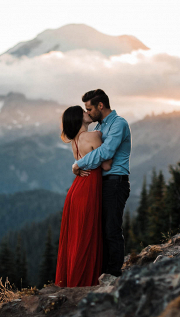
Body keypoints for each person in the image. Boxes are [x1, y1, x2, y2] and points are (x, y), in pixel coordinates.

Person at [72, 89, 131, 278]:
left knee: (111, 229)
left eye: (89, 109)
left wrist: (78, 164)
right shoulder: (101, 127)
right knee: (100, 229)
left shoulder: (118, 124)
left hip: (115, 183)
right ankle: (102, 271)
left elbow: (106, 153)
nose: (87, 113)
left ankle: (113, 274)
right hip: (101, 184)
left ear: (100, 105)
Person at [55, 105, 112, 287]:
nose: (88, 113)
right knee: (86, 235)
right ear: (79, 119)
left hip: (76, 190)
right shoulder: (93, 136)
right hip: (87, 190)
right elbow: (106, 166)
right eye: (84, 112)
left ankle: (73, 279)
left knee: (77, 237)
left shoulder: (75, 141)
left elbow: (81, 163)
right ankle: (82, 281)